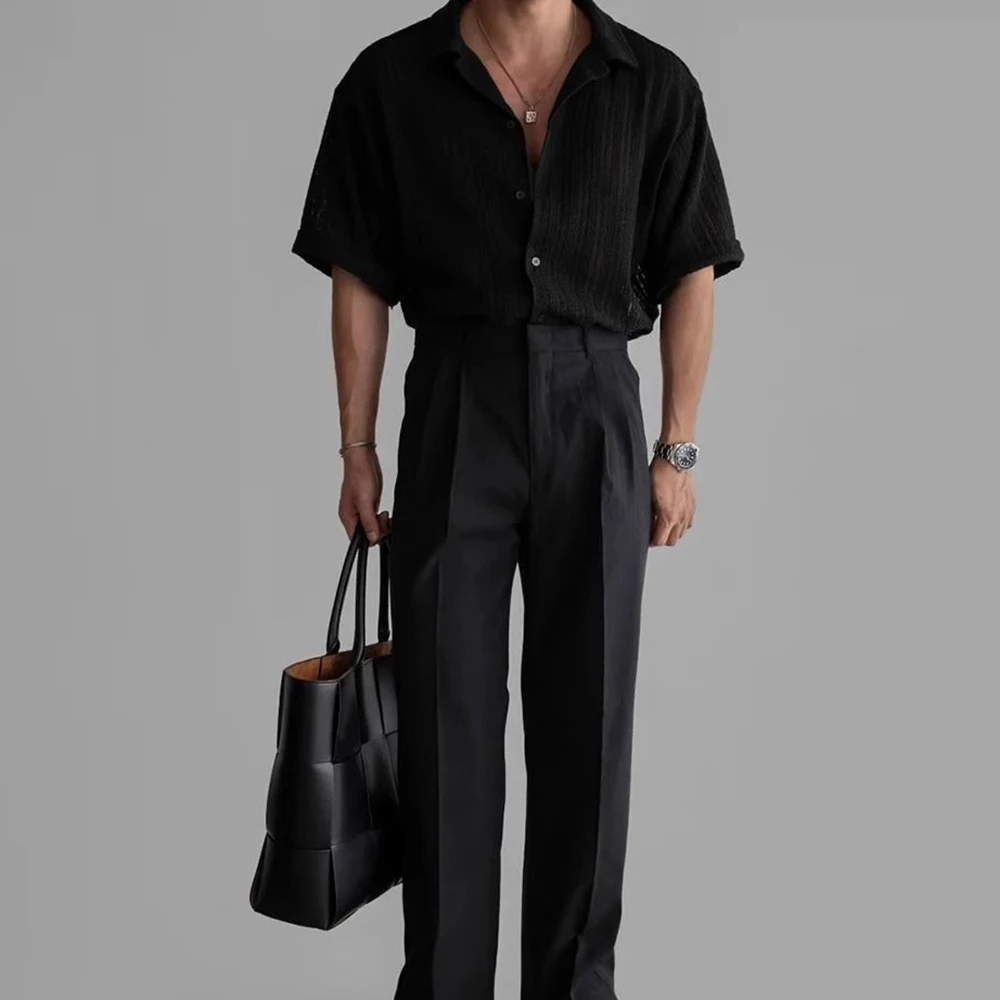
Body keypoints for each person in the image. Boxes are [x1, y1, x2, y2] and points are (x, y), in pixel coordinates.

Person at [289, 0, 744, 995]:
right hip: (458, 401)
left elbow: (692, 265)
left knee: (590, 725)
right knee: (444, 731)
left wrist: (677, 446)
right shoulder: (392, 80)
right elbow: (357, 266)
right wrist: (357, 445)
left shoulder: (654, 86)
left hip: (596, 404)